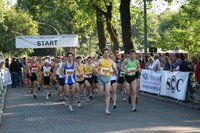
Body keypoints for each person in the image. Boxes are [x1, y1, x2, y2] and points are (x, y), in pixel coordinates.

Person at [94, 48, 117, 115]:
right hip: (101, 78)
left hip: (108, 78)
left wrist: (115, 71)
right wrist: (99, 73)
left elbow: (115, 69)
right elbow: (94, 69)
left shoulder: (111, 61)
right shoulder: (100, 61)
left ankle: (107, 109)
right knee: (101, 93)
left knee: (107, 93)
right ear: (103, 54)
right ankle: (103, 94)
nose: (106, 54)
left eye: (107, 53)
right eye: (105, 53)